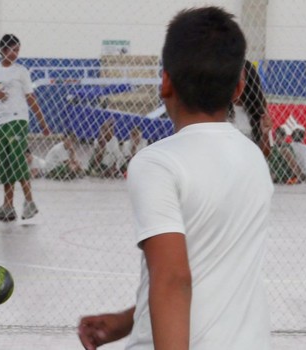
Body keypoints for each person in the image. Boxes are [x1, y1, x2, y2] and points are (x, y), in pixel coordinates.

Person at [78, 7, 272, 350]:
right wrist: (127, 320)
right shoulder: (254, 158)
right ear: (239, 88)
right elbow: (206, 272)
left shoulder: (157, 163)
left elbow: (172, 279)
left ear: (165, 82)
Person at [0, 34, 51, 222]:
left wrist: (42, 122)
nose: (15, 54)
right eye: (12, 50)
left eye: (18, 50)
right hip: (2, 121)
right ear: (3, 50)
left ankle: (29, 202)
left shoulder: (21, 71)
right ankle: (7, 206)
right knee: (5, 163)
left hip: (18, 120)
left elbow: (30, 97)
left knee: (17, 160)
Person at [231, 60, 272, 156]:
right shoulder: (220, 109)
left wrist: (265, 133)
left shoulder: (260, 110)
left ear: (249, 82)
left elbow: (266, 153)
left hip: (249, 166)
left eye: (238, 79)